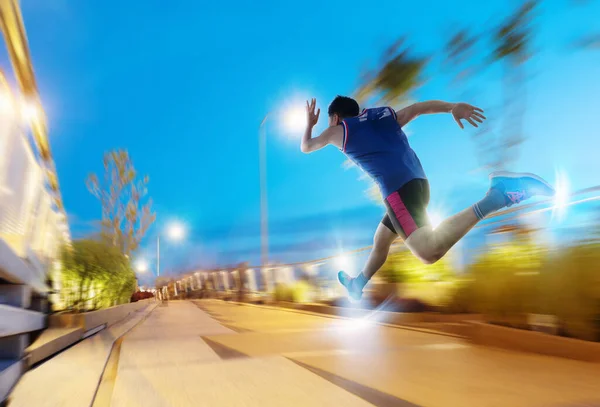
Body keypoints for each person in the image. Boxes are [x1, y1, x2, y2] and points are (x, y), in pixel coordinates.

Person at [301, 96, 555, 301]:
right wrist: (453, 107)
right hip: (419, 185)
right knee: (381, 241)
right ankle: (358, 284)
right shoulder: (381, 118)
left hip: (397, 192)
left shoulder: (339, 130)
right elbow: (418, 108)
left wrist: (310, 124)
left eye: (330, 120)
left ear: (335, 117)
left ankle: (498, 195)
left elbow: (307, 146)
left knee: (428, 251)